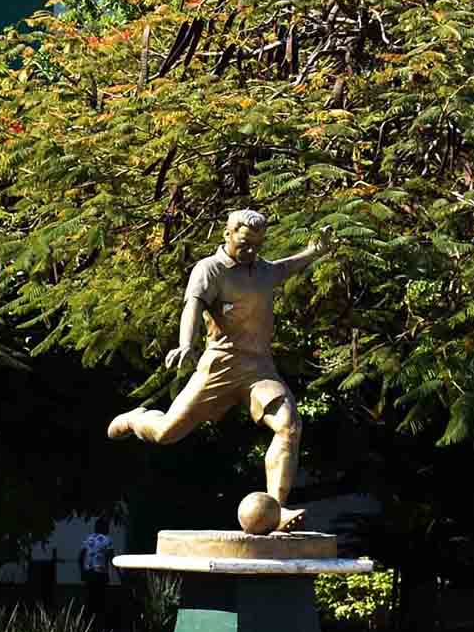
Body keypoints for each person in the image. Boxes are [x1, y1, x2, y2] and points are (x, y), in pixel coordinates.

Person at [107, 210, 327, 531]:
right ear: (227, 235)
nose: (251, 251)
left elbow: (284, 267)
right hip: (219, 366)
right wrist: (186, 345)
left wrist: (314, 253)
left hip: (258, 370)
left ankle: (276, 510)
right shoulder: (209, 270)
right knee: (167, 432)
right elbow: (192, 306)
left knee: (289, 426)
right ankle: (136, 418)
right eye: (244, 243)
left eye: (256, 244)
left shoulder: (262, 270)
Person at [78, 519, 116, 625]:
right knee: (100, 602)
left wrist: (82, 573)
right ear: (103, 527)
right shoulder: (107, 540)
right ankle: (98, 625)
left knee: (89, 601)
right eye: (107, 526)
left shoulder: (89, 538)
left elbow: (80, 557)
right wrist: (120, 574)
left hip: (89, 574)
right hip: (100, 575)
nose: (108, 529)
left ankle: (86, 625)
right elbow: (112, 558)